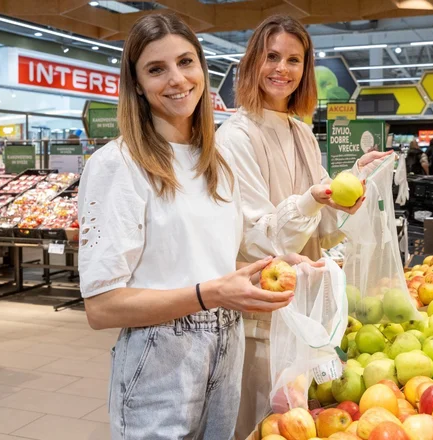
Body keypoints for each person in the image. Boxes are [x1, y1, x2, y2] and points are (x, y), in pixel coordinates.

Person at [77, 14, 294, 440]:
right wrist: (208, 294)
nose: (177, 79)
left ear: (202, 68)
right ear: (136, 84)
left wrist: (275, 265)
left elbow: (207, 257)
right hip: (160, 355)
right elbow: (101, 307)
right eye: (156, 69)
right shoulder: (118, 165)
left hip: (228, 345)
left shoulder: (218, 163)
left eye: (186, 62)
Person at [215, 15, 392, 438]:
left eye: (294, 60)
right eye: (272, 57)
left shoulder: (302, 132)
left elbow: (319, 226)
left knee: (297, 423)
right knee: (259, 422)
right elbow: (260, 237)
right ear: (252, 61)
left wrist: (353, 181)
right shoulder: (235, 137)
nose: (282, 69)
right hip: (262, 313)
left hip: (304, 310)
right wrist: (313, 198)